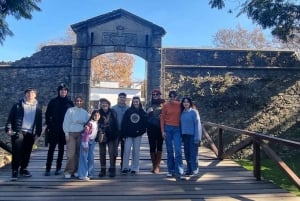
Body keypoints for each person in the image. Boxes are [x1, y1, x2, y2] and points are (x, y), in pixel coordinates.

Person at [5, 87, 43, 181]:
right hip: (19, 131)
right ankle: (14, 170)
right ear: (25, 94)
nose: (30, 95)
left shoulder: (38, 106)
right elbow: (11, 117)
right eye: (28, 93)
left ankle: (23, 169)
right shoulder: (18, 105)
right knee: (17, 151)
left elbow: (39, 120)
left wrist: (38, 132)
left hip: (30, 132)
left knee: (27, 152)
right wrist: (8, 129)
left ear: (35, 95)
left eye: (32, 93)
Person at [44, 83, 74, 176]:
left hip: (64, 130)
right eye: (61, 90)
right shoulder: (53, 101)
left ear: (67, 92)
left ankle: (58, 168)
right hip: (54, 129)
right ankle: (48, 168)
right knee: (51, 149)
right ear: (59, 91)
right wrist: (49, 125)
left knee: (61, 150)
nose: (63, 92)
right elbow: (47, 114)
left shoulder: (70, 103)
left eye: (65, 90)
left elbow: (72, 116)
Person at [63, 96, 90, 179]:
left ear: (83, 102)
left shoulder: (85, 113)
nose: (79, 102)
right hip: (71, 133)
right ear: (75, 102)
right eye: (77, 101)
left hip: (80, 134)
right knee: (71, 153)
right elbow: (66, 122)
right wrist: (66, 134)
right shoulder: (70, 110)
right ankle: (68, 171)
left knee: (78, 153)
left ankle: (76, 170)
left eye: (80, 101)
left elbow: (88, 123)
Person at [160, 90, 184, 179]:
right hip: (168, 129)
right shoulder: (165, 106)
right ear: (169, 97)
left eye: (174, 96)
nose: (172, 98)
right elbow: (162, 118)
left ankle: (180, 171)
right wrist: (163, 131)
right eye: (171, 96)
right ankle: (170, 170)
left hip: (177, 129)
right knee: (169, 151)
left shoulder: (180, 105)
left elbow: (190, 108)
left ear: (176, 97)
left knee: (178, 151)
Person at [121, 96, 147, 175]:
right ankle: (125, 167)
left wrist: (141, 132)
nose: (135, 103)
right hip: (128, 135)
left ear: (139, 102)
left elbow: (144, 124)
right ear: (132, 102)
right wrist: (124, 134)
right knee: (127, 151)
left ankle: (135, 168)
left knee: (136, 151)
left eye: (137, 101)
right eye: (134, 101)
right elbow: (124, 123)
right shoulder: (128, 111)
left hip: (137, 135)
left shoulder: (142, 112)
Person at [180, 97, 202, 177]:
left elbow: (198, 125)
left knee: (193, 154)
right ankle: (189, 169)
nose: (186, 103)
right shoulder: (182, 113)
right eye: (184, 102)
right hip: (185, 136)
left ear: (190, 103)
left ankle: (194, 170)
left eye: (187, 102)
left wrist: (197, 138)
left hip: (193, 136)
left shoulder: (194, 112)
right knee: (187, 154)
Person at [77, 110, 101, 181]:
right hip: (86, 141)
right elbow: (85, 134)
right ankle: (82, 174)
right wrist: (85, 144)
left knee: (91, 157)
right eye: (95, 115)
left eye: (98, 115)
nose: (96, 116)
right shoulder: (90, 123)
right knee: (84, 158)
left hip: (92, 142)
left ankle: (90, 173)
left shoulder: (97, 123)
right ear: (92, 115)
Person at [98, 98, 118, 177]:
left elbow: (116, 123)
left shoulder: (113, 112)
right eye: (102, 103)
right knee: (102, 153)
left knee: (111, 152)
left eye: (106, 103)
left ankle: (112, 169)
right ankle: (103, 170)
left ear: (109, 104)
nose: (104, 104)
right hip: (102, 135)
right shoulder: (98, 112)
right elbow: (93, 121)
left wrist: (116, 134)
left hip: (111, 135)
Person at [146, 89, 165, 174]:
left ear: (160, 95)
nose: (155, 95)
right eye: (153, 94)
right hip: (150, 128)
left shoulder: (164, 105)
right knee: (152, 146)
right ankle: (154, 165)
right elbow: (144, 116)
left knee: (159, 146)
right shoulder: (148, 104)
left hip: (160, 128)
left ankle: (157, 166)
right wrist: (147, 112)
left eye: (157, 94)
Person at [111, 92, 130, 170]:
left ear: (125, 99)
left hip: (125, 132)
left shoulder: (129, 108)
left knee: (124, 149)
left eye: (123, 97)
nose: (122, 98)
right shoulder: (113, 108)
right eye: (121, 97)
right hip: (116, 131)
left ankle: (123, 165)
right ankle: (113, 165)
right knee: (114, 149)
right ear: (118, 98)